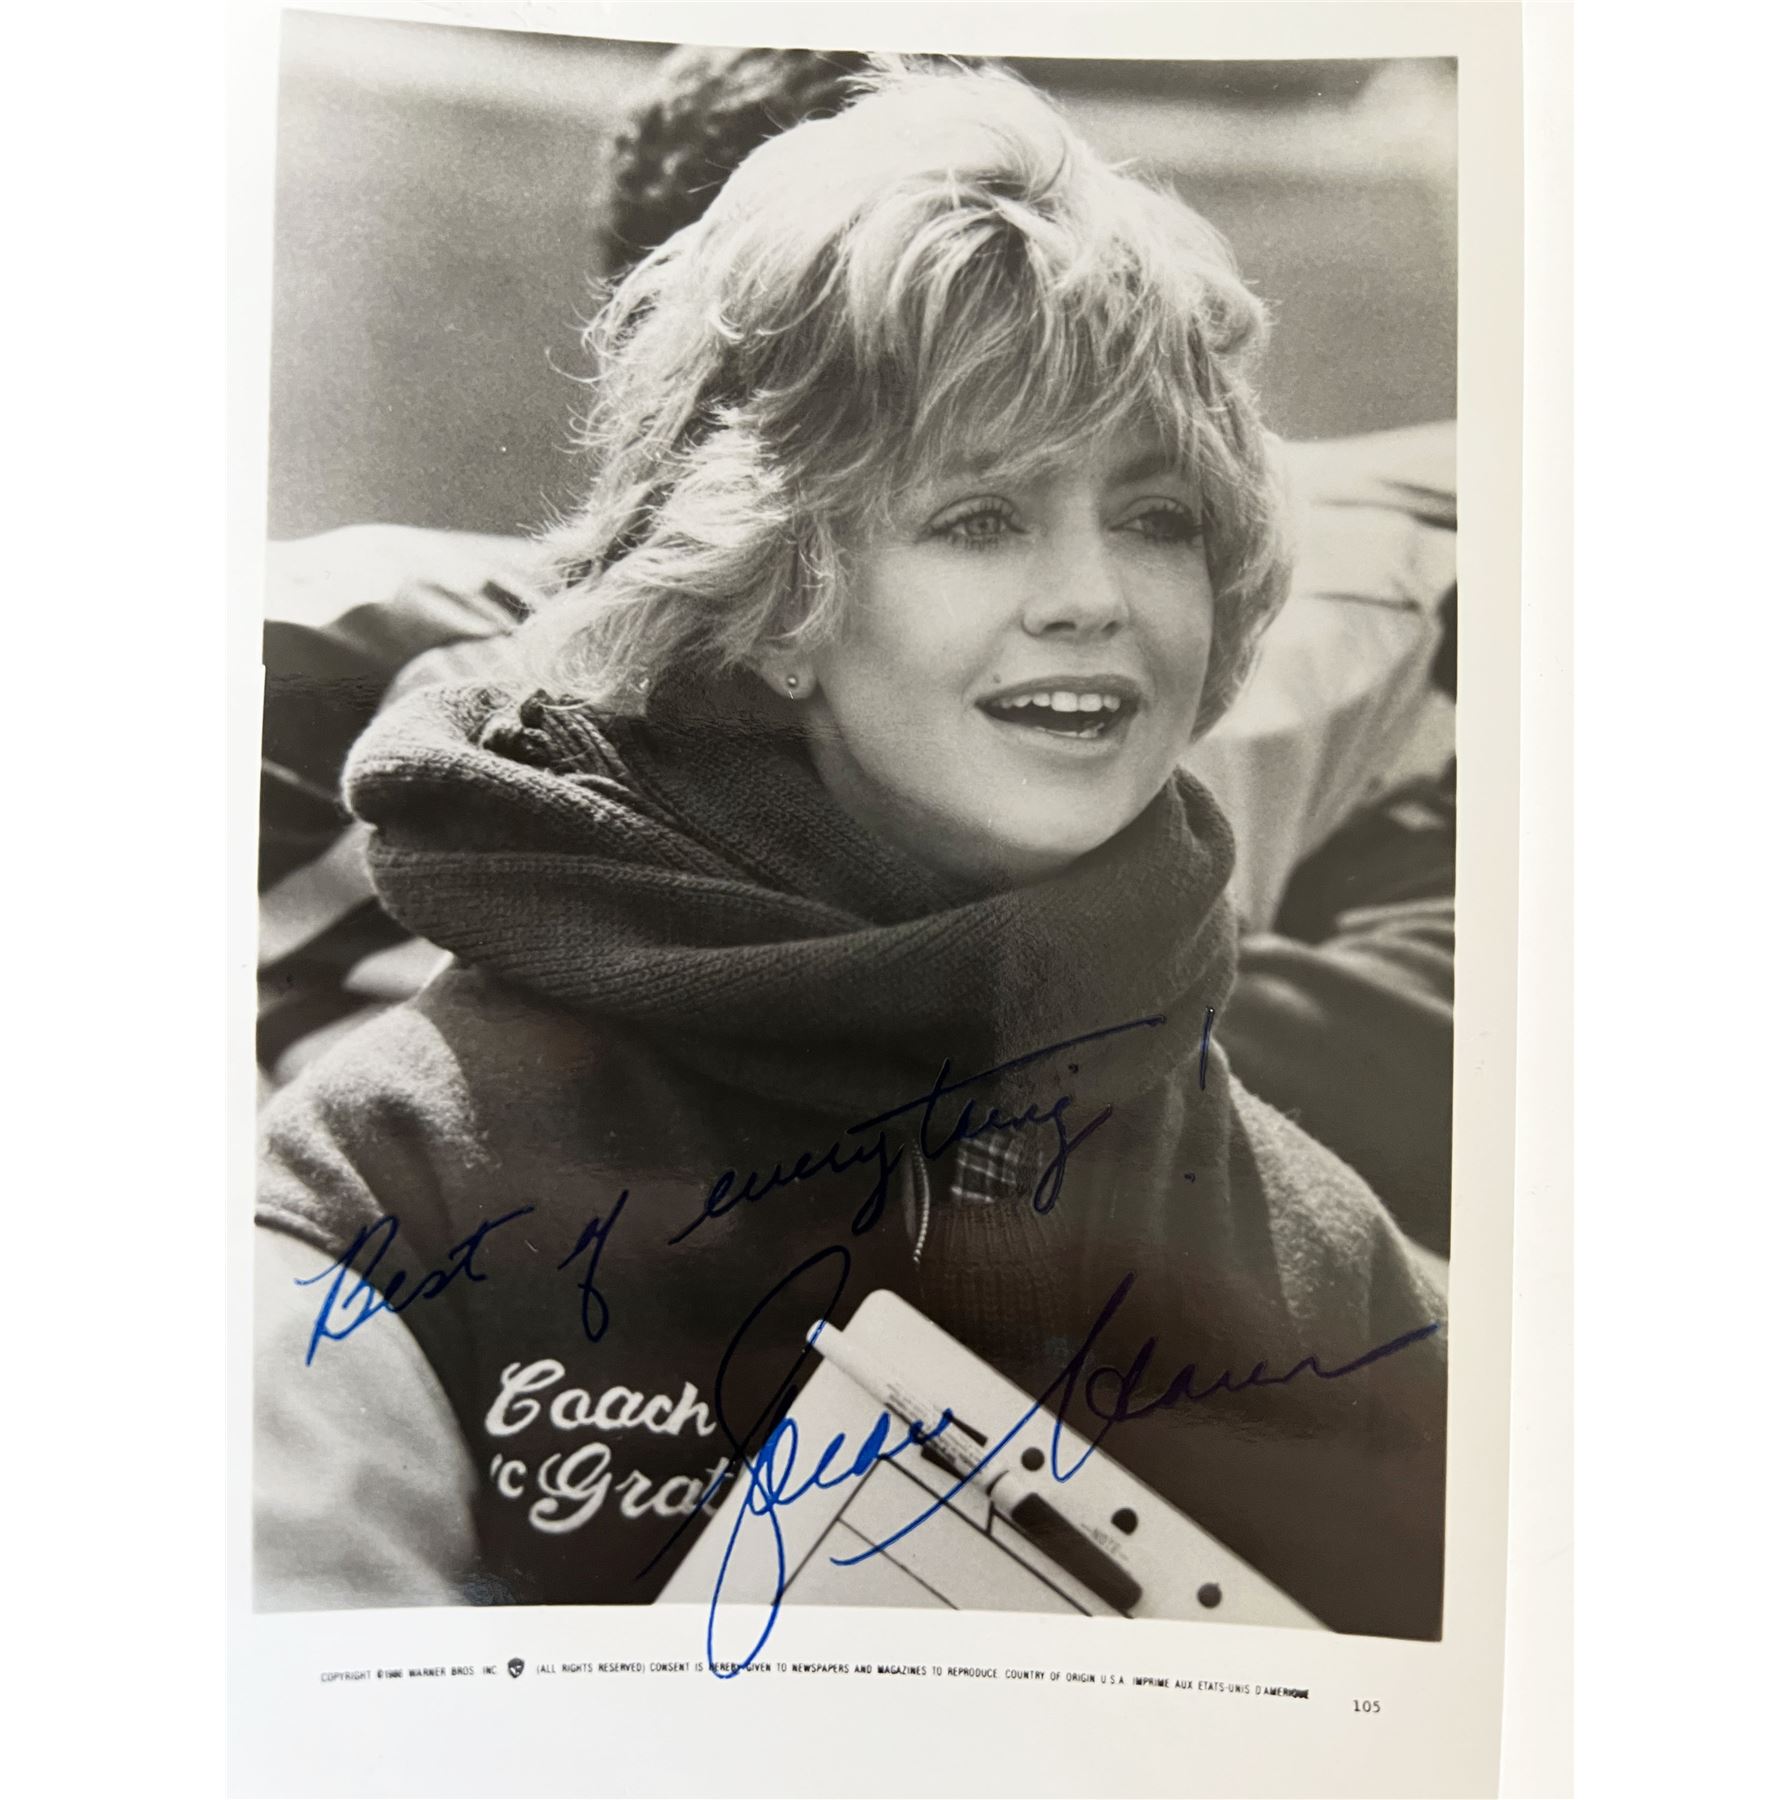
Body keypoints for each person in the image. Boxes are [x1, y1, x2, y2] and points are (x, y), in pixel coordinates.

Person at [255, 62, 1447, 1640]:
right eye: (979, 519)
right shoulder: (379, 1190)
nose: (1093, 595)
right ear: (769, 591)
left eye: (1158, 517)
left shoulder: (1326, 1256)